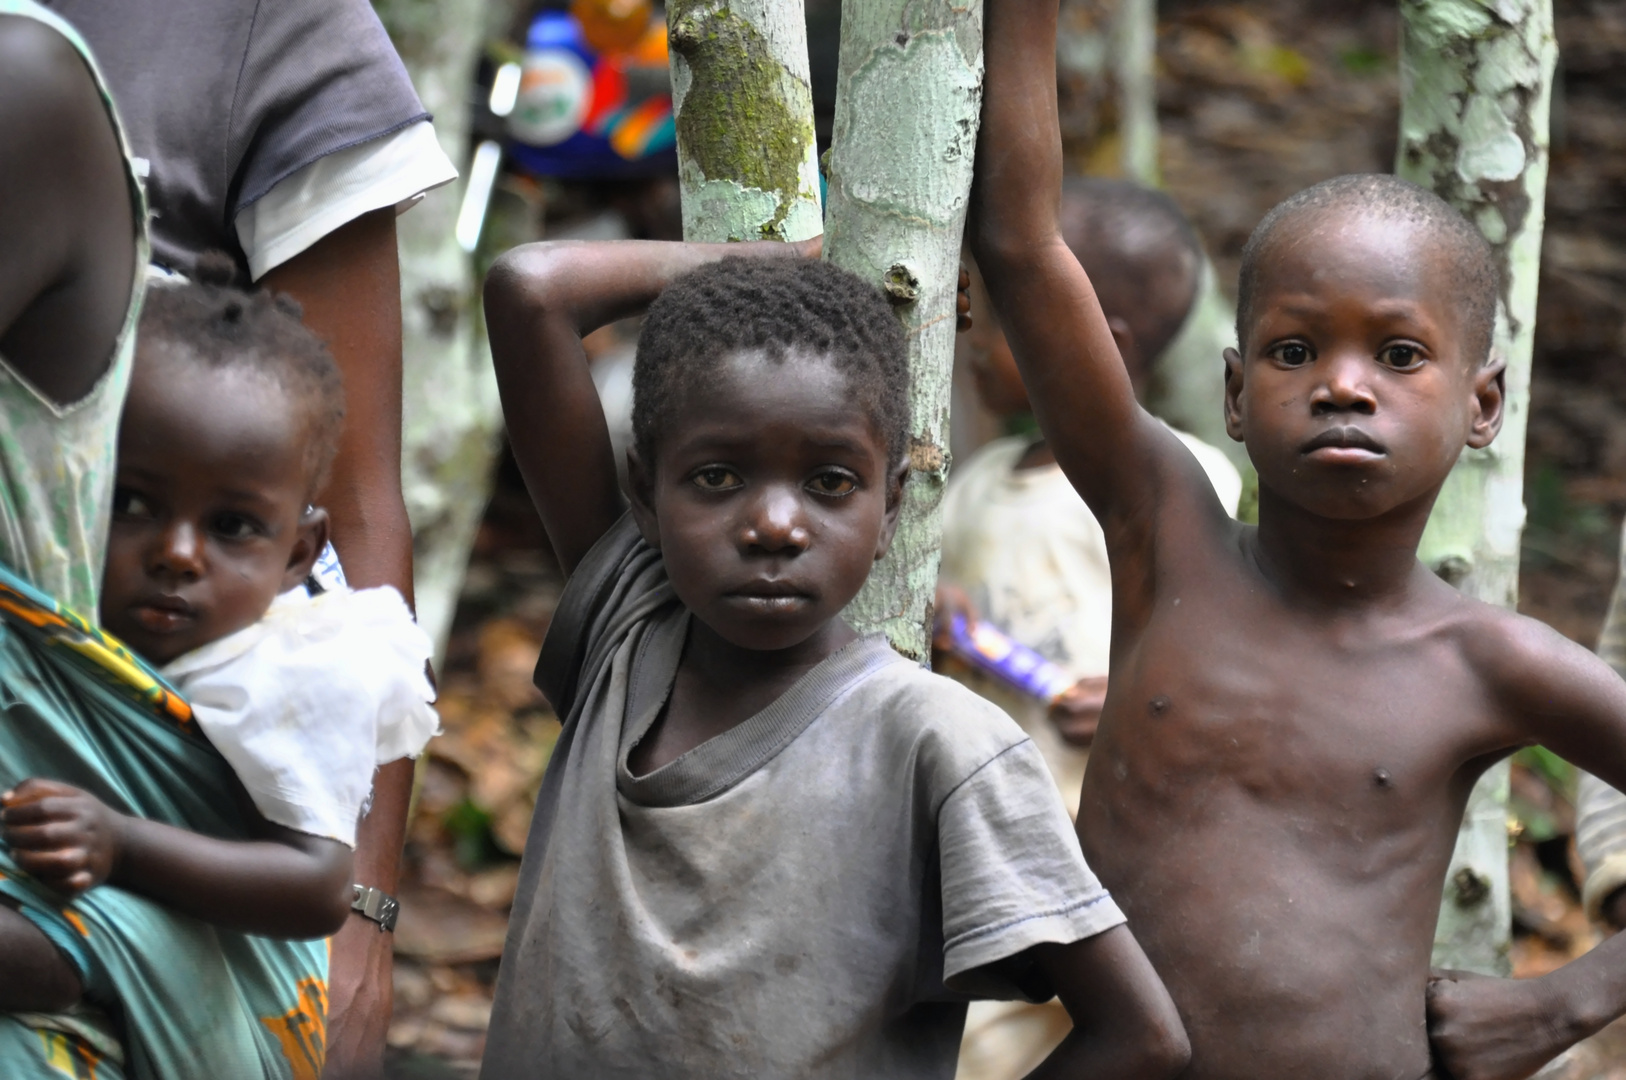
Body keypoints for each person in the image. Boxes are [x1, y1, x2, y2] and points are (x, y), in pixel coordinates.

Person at [967, 1, 1626, 1076]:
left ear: (1483, 404)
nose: (1343, 387)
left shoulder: (1490, 664)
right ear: (1233, 393)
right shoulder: (1162, 531)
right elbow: (1025, 247)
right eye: (1294, 350)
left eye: (1401, 355)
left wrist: (1560, 1007)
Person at [476, 240, 1189, 1078]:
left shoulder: (937, 745)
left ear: (890, 509)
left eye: (830, 483)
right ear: (643, 493)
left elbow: (1142, 1035)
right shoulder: (625, 629)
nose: (775, 524)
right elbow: (529, 293)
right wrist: (779, 264)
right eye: (715, 477)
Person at [43, 5, 459, 1062]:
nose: (183, 545)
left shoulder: (266, 23)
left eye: (224, 527)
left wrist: (358, 932)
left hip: (170, 802)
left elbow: (355, 500)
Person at [0, 267, 440, 1077]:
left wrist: (121, 844)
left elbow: (314, 886)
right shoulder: (54, 614)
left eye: (232, 526)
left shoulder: (293, 670)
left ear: (299, 554)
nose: (176, 553)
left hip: (217, 1002)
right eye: (131, 503)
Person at [943, 181, 1240, 1080]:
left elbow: (1224, 639)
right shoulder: (976, 482)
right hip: (982, 829)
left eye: (989, 315)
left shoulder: (1189, 479)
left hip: (1106, 845)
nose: (965, 332)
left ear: (1081, 343)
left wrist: (1145, 689)